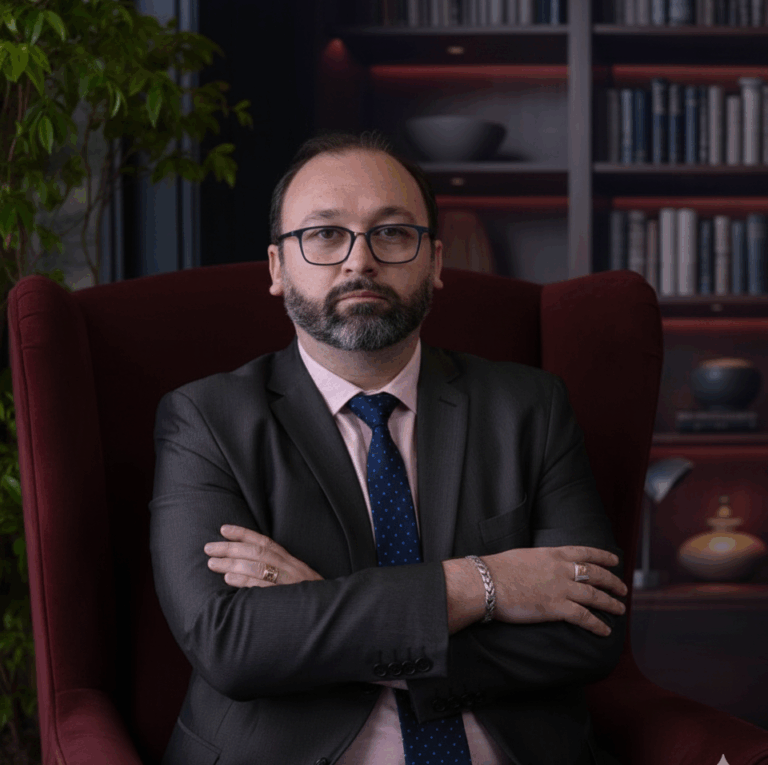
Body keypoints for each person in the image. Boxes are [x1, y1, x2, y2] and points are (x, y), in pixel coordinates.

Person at [149, 131, 629, 765]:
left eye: (393, 233)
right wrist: (484, 584)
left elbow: (592, 631)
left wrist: (321, 612)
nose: (360, 261)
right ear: (277, 268)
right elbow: (231, 646)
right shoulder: (206, 420)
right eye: (325, 234)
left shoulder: (530, 408)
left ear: (435, 261)